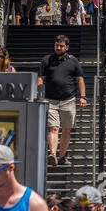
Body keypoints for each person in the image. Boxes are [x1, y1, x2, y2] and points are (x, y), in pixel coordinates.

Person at [37, 34, 87, 167]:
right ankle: (52, 154)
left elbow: (80, 79)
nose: (58, 48)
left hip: (68, 100)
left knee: (66, 129)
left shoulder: (73, 61)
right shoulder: (47, 60)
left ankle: (62, 156)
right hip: (50, 100)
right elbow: (41, 78)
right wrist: (40, 95)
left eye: (61, 46)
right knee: (53, 128)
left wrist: (83, 97)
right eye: (56, 45)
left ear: (67, 47)